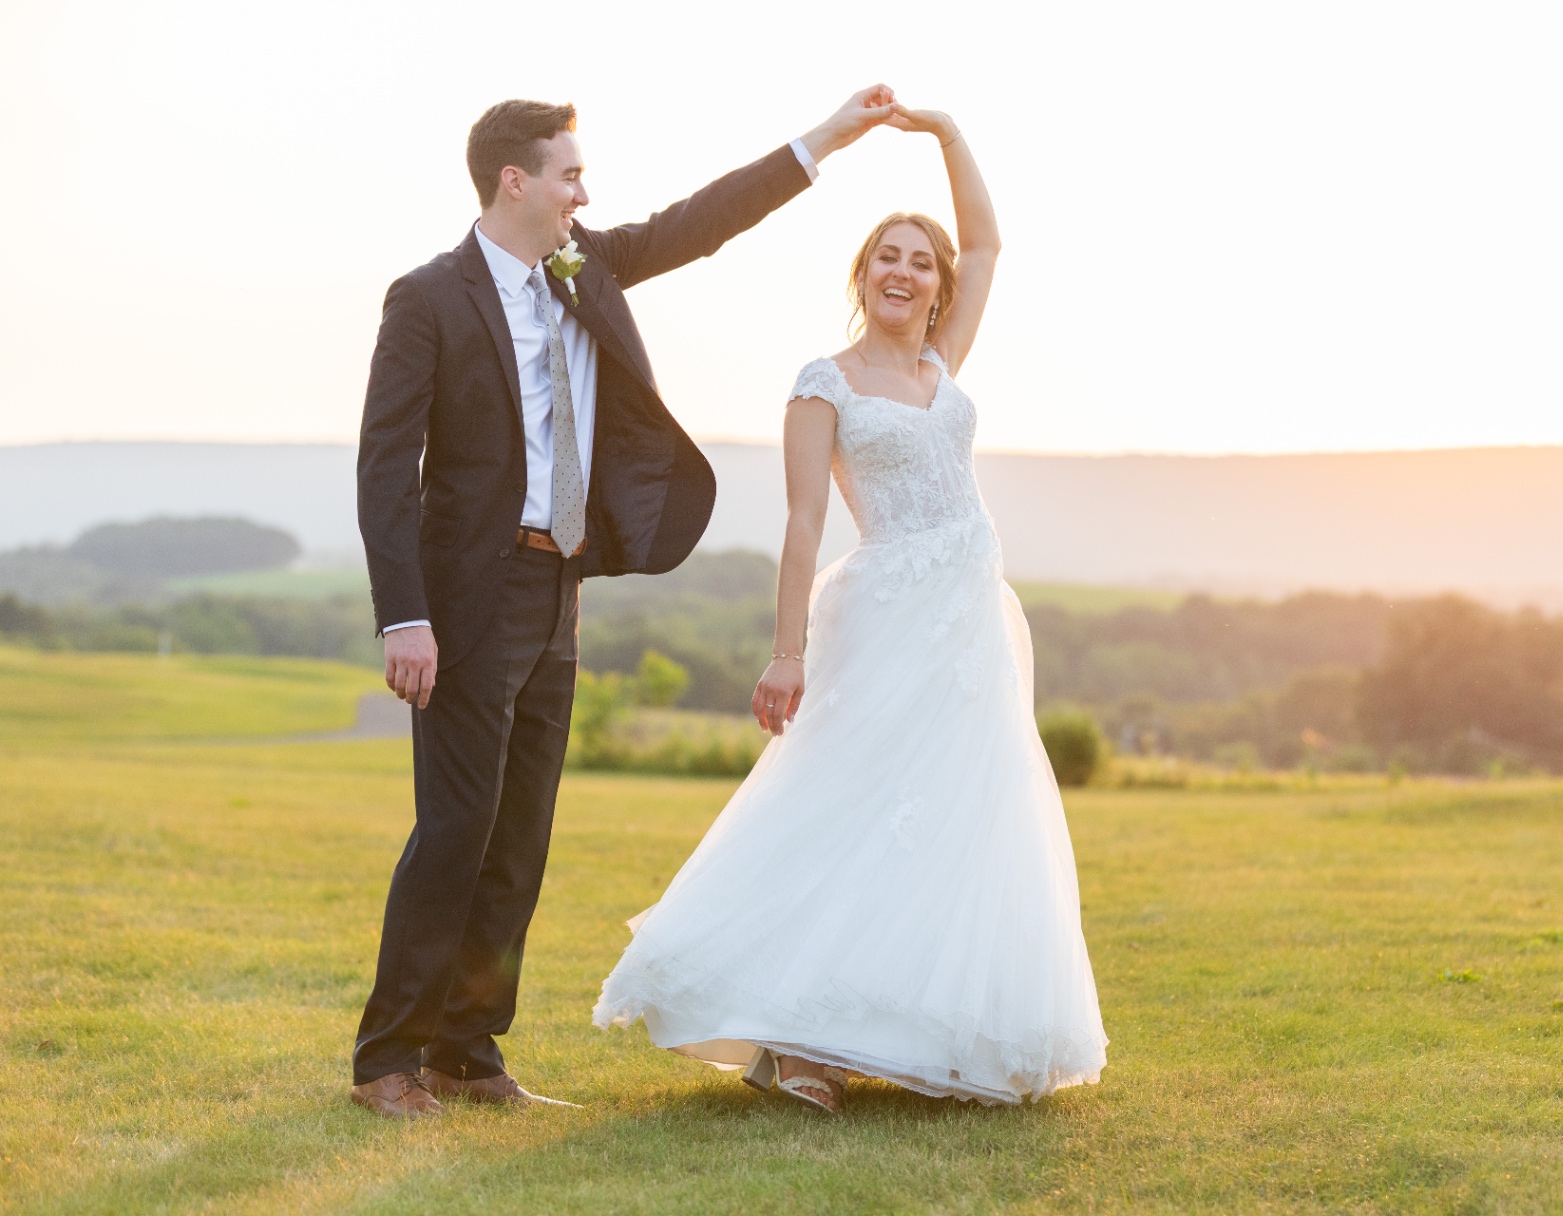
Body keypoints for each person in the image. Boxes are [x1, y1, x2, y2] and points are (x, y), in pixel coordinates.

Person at [350, 86, 899, 1119]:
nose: (583, 192)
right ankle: (386, 1058)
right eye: (569, 174)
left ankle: (469, 1053)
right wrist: (404, 613)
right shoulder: (426, 297)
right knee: (456, 827)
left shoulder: (584, 268)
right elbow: (387, 467)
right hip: (466, 595)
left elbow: (701, 221)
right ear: (516, 181)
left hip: (559, 583)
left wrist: (824, 139)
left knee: (519, 838)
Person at [595, 103, 1108, 1112]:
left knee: (959, 822)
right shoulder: (821, 384)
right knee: (849, 809)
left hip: (968, 624)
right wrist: (785, 654)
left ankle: (936, 1027)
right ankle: (795, 1042)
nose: (905, 271)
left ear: (937, 287)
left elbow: (992, 239)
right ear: (862, 277)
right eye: (887, 256)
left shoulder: (938, 365)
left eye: (921, 260)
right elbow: (801, 523)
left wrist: (946, 132)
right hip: (883, 618)